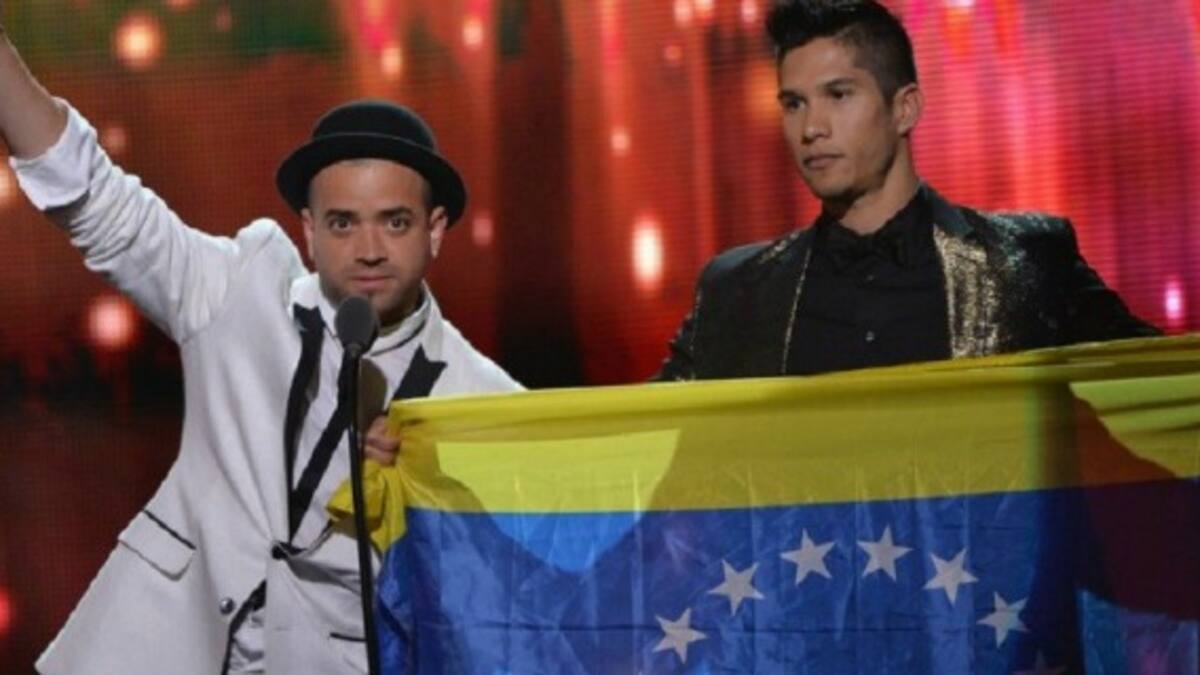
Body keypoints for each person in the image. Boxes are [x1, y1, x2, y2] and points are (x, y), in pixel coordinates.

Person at [0, 15, 521, 675]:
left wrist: (421, 497)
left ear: (435, 229)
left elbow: (529, 596)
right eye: (342, 223)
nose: (368, 250)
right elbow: (99, 203)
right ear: (308, 230)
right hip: (156, 649)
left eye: (395, 222)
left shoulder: (482, 402)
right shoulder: (240, 291)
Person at [655, 0, 1158, 381]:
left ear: (905, 109)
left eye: (838, 95)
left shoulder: (1025, 261)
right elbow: (645, 436)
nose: (811, 129)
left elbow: (1162, 386)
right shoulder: (736, 290)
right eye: (794, 104)